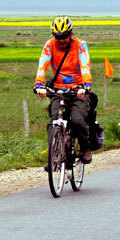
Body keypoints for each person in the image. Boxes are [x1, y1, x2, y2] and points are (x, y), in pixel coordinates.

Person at [34, 16, 94, 163]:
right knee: (54, 120)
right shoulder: (49, 45)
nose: (61, 40)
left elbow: (85, 66)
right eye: (58, 37)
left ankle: (86, 147)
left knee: (77, 120)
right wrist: (39, 85)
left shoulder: (80, 45)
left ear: (71, 34)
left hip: (78, 90)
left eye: (64, 36)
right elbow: (43, 65)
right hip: (58, 90)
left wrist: (86, 86)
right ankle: (54, 156)